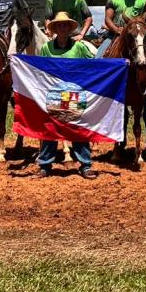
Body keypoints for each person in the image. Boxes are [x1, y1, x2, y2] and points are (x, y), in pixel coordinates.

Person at [37, 11, 97, 180]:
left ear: (69, 28)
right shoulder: (46, 48)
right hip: (54, 95)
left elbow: (95, 64)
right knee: (50, 128)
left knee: (77, 128)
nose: (62, 28)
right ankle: (45, 165)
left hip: (74, 95)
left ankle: (85, 165)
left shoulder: (79, 47)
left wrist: (119, 65)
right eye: (59, 25)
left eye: (65, 25)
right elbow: (40, 70)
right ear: (55, 29)